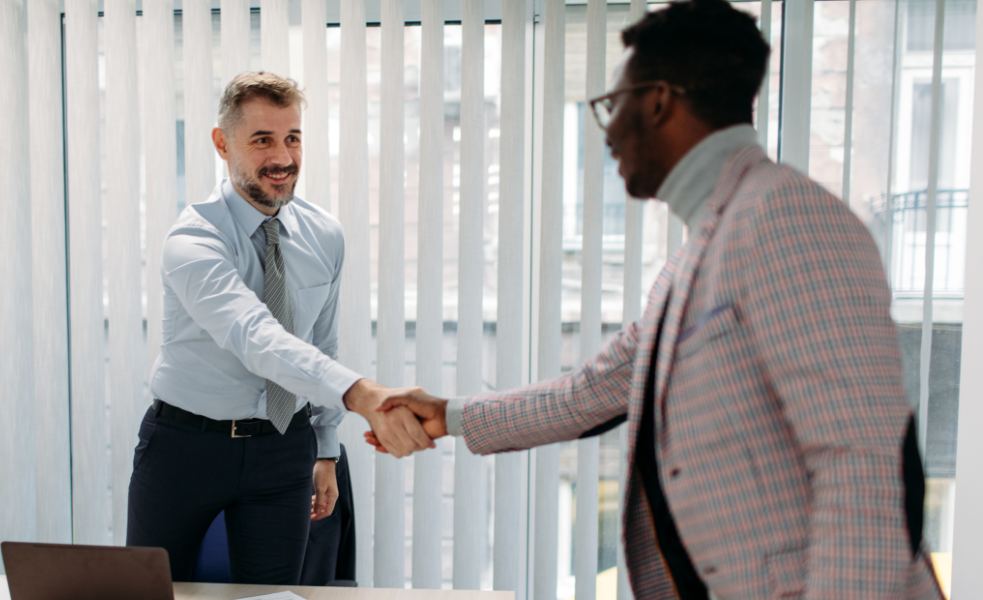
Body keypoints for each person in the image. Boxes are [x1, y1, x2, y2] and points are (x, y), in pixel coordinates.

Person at [367, 2, 946, 598]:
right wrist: (449, 415)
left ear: (659, 102)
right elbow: (594, 389)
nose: (610, 133)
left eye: (611, 107)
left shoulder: (784, 216)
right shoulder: (699, 252)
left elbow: (861, 459)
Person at [127, 71, 432, 584]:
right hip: (184, 447)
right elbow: (255, 336)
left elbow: (322, 342)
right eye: (262, 140)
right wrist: (362, 394)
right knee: (148, 594)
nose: (284, 158)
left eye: (293, 138)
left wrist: (327, 448)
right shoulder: (193, 241)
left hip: (282, 448)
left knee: (272, 599)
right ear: (223, 144)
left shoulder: (324, 236)